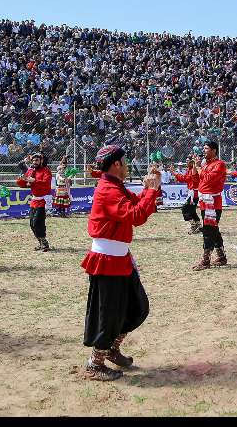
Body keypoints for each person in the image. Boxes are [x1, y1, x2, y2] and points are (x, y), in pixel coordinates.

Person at [80, 145, 161, 381]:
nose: (127, 166)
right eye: (124, 162)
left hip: (119, 258)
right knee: (109, 315)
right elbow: (136, 215)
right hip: (108, 261)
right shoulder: (108, 190)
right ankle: (95, 363)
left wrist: (150, 187)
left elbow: (137, 204)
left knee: (138, 307)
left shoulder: (115, 186)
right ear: (116, 164)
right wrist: (151, 191)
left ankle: (112, 350)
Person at [192, 140, 228, 270]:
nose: (203, 150)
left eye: (206, 148)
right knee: (214, 229)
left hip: (212, 203)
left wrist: (199, 168)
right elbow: (197, 180)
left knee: (208, 230)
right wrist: (195, 167)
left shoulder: (220, 164)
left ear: (214, 150)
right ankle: (221, 256)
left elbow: (208, 179)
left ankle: (205, 260)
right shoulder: (205, 164)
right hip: (205, 202)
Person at [16, 152, 53, 252]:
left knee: (37, 222)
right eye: (33, 160)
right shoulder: (31, 171)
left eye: (36, 160)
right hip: (34, 200)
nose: (34, 162)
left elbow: (46, 184)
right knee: (32, 224)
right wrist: (20, 180)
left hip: (43, 200)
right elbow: (24, 184)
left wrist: (34, 181)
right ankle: (41, 242)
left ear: (41, 161)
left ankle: (44, 242)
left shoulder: (46, 171)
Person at [174, 156, 201, 234]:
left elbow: (186, 178)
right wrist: (175, 174)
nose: (186, 162)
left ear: (192, 162)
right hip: (192, 192)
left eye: (188, 161)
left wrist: (175, 174)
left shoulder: (194, 171)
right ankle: (198, 225)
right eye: (186, 161)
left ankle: (194, 225)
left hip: (194, 193)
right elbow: (184, 178)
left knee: (185, 209)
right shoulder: (189, 170)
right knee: (192, 211)